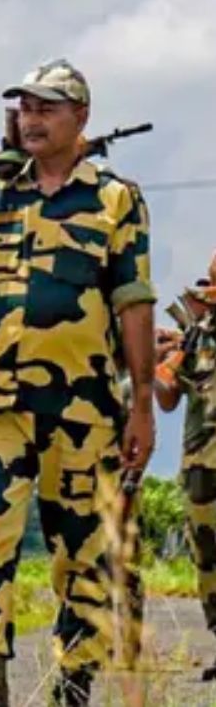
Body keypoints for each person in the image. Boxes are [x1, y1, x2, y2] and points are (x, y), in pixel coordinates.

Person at [0, 59, 156, 707]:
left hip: (84, 404)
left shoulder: (114, 199)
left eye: (47, 108)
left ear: (80, 117)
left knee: (80, 546)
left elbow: (134, 303)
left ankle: (75, 679)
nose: (32, 119)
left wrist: (142, 406)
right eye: (25, 108)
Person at [154, 279, 216, 679]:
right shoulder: (194, 341)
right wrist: (158, 360)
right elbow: (167, 397)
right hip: (201, 466)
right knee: (207, 557)